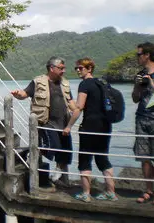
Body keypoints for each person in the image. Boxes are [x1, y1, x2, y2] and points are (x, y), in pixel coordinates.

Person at [10, 56, 77, 190]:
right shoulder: (38, 82)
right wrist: (18, 94)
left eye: (64, 68)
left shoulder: (65, 83)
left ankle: (63, 180)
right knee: (53, 147)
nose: (63, 71)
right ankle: (32, 154)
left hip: (63, 123)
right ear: (51, 68)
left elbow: (71, 102)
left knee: (66, 152)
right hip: (46, 122)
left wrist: (80, 111)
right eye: (61, 68)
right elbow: (25, 93)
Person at [63, 58, 117, 202]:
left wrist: (69, 126)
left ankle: (86, 194)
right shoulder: (102, 83)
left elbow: (79, 107)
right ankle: (111, 193)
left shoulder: (85, 84)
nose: (78, 70)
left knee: (85, 160)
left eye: (81, 68)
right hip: (105, 126)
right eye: (77, 68)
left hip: (90, 127)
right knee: (103, 159)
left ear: (89, 68)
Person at [132, 42, 154, 205]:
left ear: (147, 55)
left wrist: (152, 84)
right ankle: (148, 189)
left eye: (139, 54)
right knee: (144, 157)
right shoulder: (140, 74)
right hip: (141, 117)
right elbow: (135, 98)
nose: (137, 57)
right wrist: (137, 86)